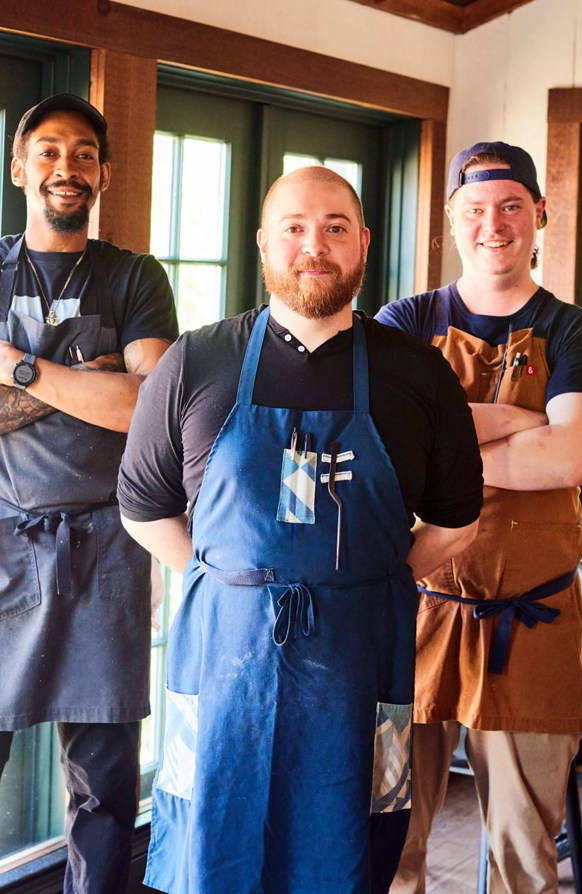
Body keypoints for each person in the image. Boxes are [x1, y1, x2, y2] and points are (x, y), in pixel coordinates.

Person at [117, 165, 483, 894]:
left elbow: (456, 519)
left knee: (350, 846)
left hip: (360, 660)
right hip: (223, 664)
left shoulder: (417, 375)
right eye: (294, 228)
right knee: (210, 849)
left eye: (335, 228)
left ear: (364, 244)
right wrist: (226, 577)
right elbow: (142, 506)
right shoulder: (198, 360)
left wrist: (372, 581)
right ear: (263, 244)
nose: (314, 246)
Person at [0, 93, 178, 894]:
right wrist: (84, 384)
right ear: (19, 168)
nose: (67, 168)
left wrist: (21, 370)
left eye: (84, 154)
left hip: (104, 551)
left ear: (103, 172)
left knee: (105, 791)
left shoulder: (134, 276)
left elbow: (143, 405)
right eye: (49, 151)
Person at [376, 141, 582, 894]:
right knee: (386, 841)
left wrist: (443, 438)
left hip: (534, 622)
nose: (496, 224)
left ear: (540, 214)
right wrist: (520, 421)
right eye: (477, 209)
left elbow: (570, 459)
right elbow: (386, 447)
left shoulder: (578, 332)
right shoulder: (405, 322)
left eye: (513, 206)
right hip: (411, 616)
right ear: (452, 220)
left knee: (523, 859)